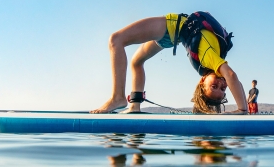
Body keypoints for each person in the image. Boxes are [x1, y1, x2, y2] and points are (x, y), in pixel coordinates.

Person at [90, 11, 247, 114]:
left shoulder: (208, 59)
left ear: (202, 81)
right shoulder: (214, 64)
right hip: (172, 37)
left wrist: (241, 109)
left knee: (115, 40)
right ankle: (134, 105)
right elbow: (234, 79)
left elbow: (232, 76)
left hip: (169, 28)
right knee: (136, 62)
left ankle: (118, 97)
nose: (221, 82)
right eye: (222, 87)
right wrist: (243, 108)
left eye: (215, 87)